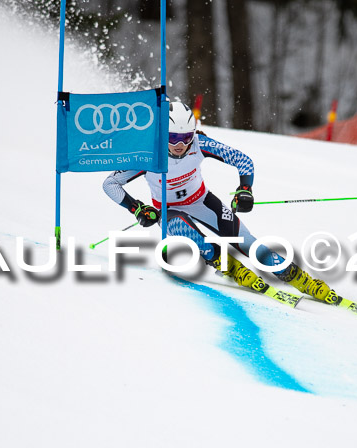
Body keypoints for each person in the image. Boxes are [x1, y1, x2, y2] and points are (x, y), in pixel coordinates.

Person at [103, 101, 340, 305]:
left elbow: (243, 160)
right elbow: (110, 184)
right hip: (169, 211)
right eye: (173, 138)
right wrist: (137, 208)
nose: (180, 145)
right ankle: (226, 264)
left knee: (250, 245)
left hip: (203, 201)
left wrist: (245, 190)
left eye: (185, 137)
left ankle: (300, 279)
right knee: (185, 228)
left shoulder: (199, 144)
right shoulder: (147, 154)